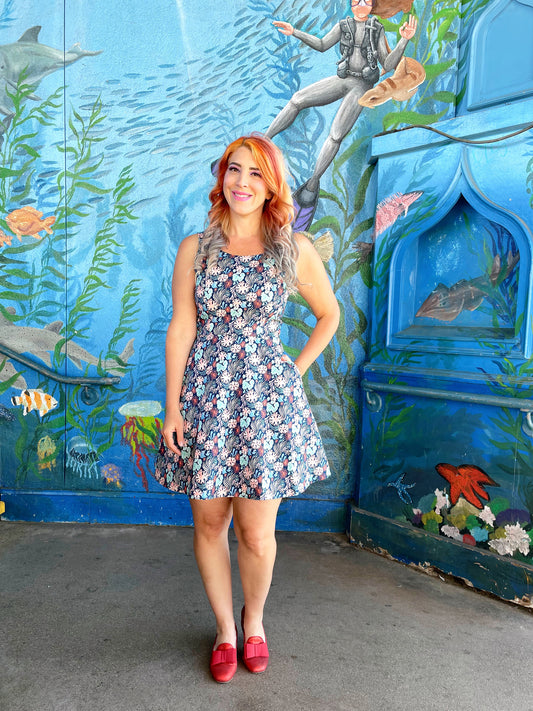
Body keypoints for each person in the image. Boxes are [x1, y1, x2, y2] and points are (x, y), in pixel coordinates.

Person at [154, 133, 340, 683]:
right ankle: (224, 631)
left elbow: (328, 316)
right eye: (234, 170)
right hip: (205, 398)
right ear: (222, 179)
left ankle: (253, 621)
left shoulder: (293, 248)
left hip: (266, 403)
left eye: (256, 173)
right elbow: (182, 326)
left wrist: (293, 370)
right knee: (210, 521)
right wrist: (171, 408)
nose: (242, 182)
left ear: (271, 184)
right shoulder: (196, 248)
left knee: (256, 533)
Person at [266, 0, 417, 212]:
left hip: (361, 86)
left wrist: (403, 40)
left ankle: (311, 186)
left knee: (336, 134)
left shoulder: (376, 28)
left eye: (365, 1)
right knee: (297, 99)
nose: (360, 4)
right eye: (356, 1)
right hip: (343, 79)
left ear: (372, 5)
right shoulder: (343, 25)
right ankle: (263, 140)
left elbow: (388, 64)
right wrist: (295, 32)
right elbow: (321, 45)